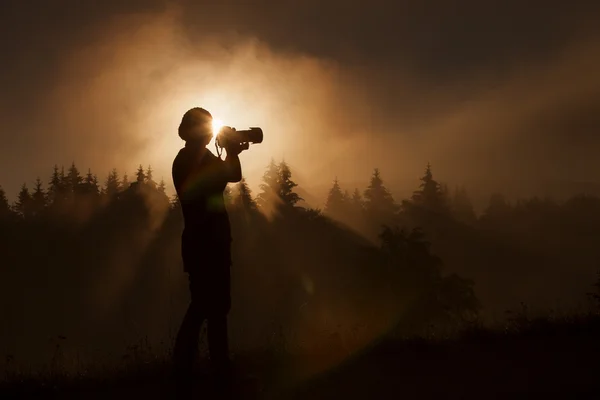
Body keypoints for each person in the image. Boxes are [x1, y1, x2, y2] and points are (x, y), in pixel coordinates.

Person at [171, 107, 244, 394]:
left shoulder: (199, 156)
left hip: (211, 241)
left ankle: (217, 369)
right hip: (204, 243)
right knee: (204, 305)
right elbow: (219, 180)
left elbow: (232, 175)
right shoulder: (188, 159)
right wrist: (230, 151)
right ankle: (186, 368)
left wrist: (233, 152)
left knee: (216, 307)